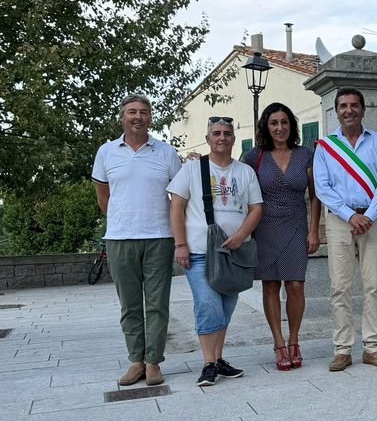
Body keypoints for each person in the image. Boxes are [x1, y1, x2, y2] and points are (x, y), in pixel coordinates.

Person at [92, 94, 182, 387]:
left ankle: (154, 361)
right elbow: (103, 197)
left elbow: (177, 198)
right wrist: (121, 220)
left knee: (157, 304)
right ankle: (136, 360)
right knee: (129, 305)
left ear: (150, 117)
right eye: (132, 112)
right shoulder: (106, 152)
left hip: (159, 237)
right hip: (119, 239)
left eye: (144, 112)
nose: (138, 117)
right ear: (122, 117)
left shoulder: (167, 153)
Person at [168, 117, 262, 387]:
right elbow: (176, 206)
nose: (222, 138)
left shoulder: (245, 172)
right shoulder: (192, 169)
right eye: (217, 133)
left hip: (234, 252)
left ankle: (218, 359)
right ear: (208, 138)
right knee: (208, 305)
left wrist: (242, 235)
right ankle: (208, 363)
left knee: (225, 308)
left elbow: (256, 207)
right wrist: (180, 244)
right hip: (199, 251)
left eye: (228, 133)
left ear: (234, 138)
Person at [313, 87, 377, 371]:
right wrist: (350, 216)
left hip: (373, 219)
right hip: (339, 220)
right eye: (343, 106)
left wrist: (369, 215)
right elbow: (323, 188)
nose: (349, 110)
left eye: (354, 105)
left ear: (363, 109)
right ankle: (343, 349)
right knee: (340, 286)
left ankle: (372, 347)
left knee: (374, 284)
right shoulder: (325, 146)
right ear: (336, 110)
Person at [241, 103, 321, 372]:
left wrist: (313, 231)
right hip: (264, 228)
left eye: (284, 122)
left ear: (291, 125)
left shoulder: (305, 155)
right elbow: (241, 192)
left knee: (296, 285)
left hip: (297, 226)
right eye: (274, 122)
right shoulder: (253, 157)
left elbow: (314, 195)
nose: (279, 127)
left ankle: (294, 340)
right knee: (271, 286)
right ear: (266, 125)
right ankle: (278, 343)